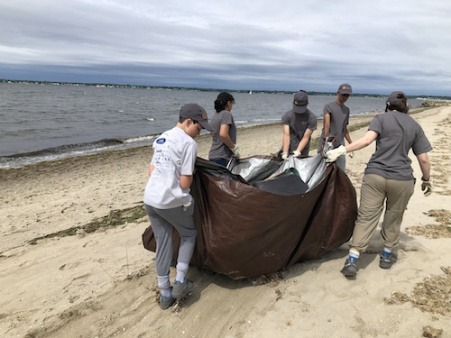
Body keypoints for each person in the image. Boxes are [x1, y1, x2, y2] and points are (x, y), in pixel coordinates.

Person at [326, 91, 432, 279]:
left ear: (387, 104)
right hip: (402, 180)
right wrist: (426, 179)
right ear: (405, 106)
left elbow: (366, 141)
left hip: (375, 175)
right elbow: (423, 159)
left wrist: (341, 150)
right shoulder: (415, 125)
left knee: (366, 217)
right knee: (394, 217)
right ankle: (386, 255)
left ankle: (353, 258)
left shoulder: (381, 119)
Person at [143, 103, 213, 309]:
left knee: (163, 241)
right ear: (188, 122)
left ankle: (165, 293)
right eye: (198, 128)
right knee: (189, 234)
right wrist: (186, 198)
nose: (199, 134)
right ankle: (181, 282)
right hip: (169, 200)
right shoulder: (188, 143)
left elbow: (151, 170)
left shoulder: (162, 137)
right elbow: (185, 181)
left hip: (150, 199)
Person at [318, 83, 354, 170]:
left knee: (340, 169)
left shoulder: (346, 110)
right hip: (327, 142)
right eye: (343, 95)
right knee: (324, 169)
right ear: (338, 93)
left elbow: (344, 128)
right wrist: (325, 144)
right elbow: (326, 126)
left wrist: (351, 144)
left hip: (340, 143)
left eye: (347, 95)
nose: (345, 97)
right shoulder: (328, 107)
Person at [280, 90, 317, 159]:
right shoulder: (287, 116)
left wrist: (298, 151)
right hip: (288, 147)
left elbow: (306, 137)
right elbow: (286, 135)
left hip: (303, 150)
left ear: (307, 104)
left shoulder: (312, 118)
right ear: (293, 102)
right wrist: (285, 152)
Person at [208, 92, 239, 166]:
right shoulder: (226, 114)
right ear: (228, 103)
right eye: (232, 103)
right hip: (223, 157)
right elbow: (223, 134)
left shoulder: (215, 116)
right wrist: (234, 148)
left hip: (213, 155)